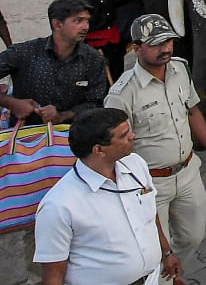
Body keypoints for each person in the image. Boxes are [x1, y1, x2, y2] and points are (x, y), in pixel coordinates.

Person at [104, 15, 206, 269]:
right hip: (150, 184)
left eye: (168, 41)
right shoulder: (122, 94)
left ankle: (170, 274)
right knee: (154, 249)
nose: (166, 49)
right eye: (156, 44)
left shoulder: (180, 68)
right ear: (137, 48)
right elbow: (115, 150)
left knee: (193, 236)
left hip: (187, 172)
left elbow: (193, 111)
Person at [33, 108, 182, 285]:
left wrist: (166, 252)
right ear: (99, 150)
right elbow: (53, 275)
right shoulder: (57, 206)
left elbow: (148, 215)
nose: (132, 136)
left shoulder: (136, 164)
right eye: (124, 135)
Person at [0, 0, 108, 126]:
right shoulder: (24, 52)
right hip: (26, 136)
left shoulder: (93, 59)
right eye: (78, 21)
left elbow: (96, 102)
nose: (85, 27)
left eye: (87, 21)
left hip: (73, 135)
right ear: (57, 24)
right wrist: (12, 103)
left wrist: (62, 116)